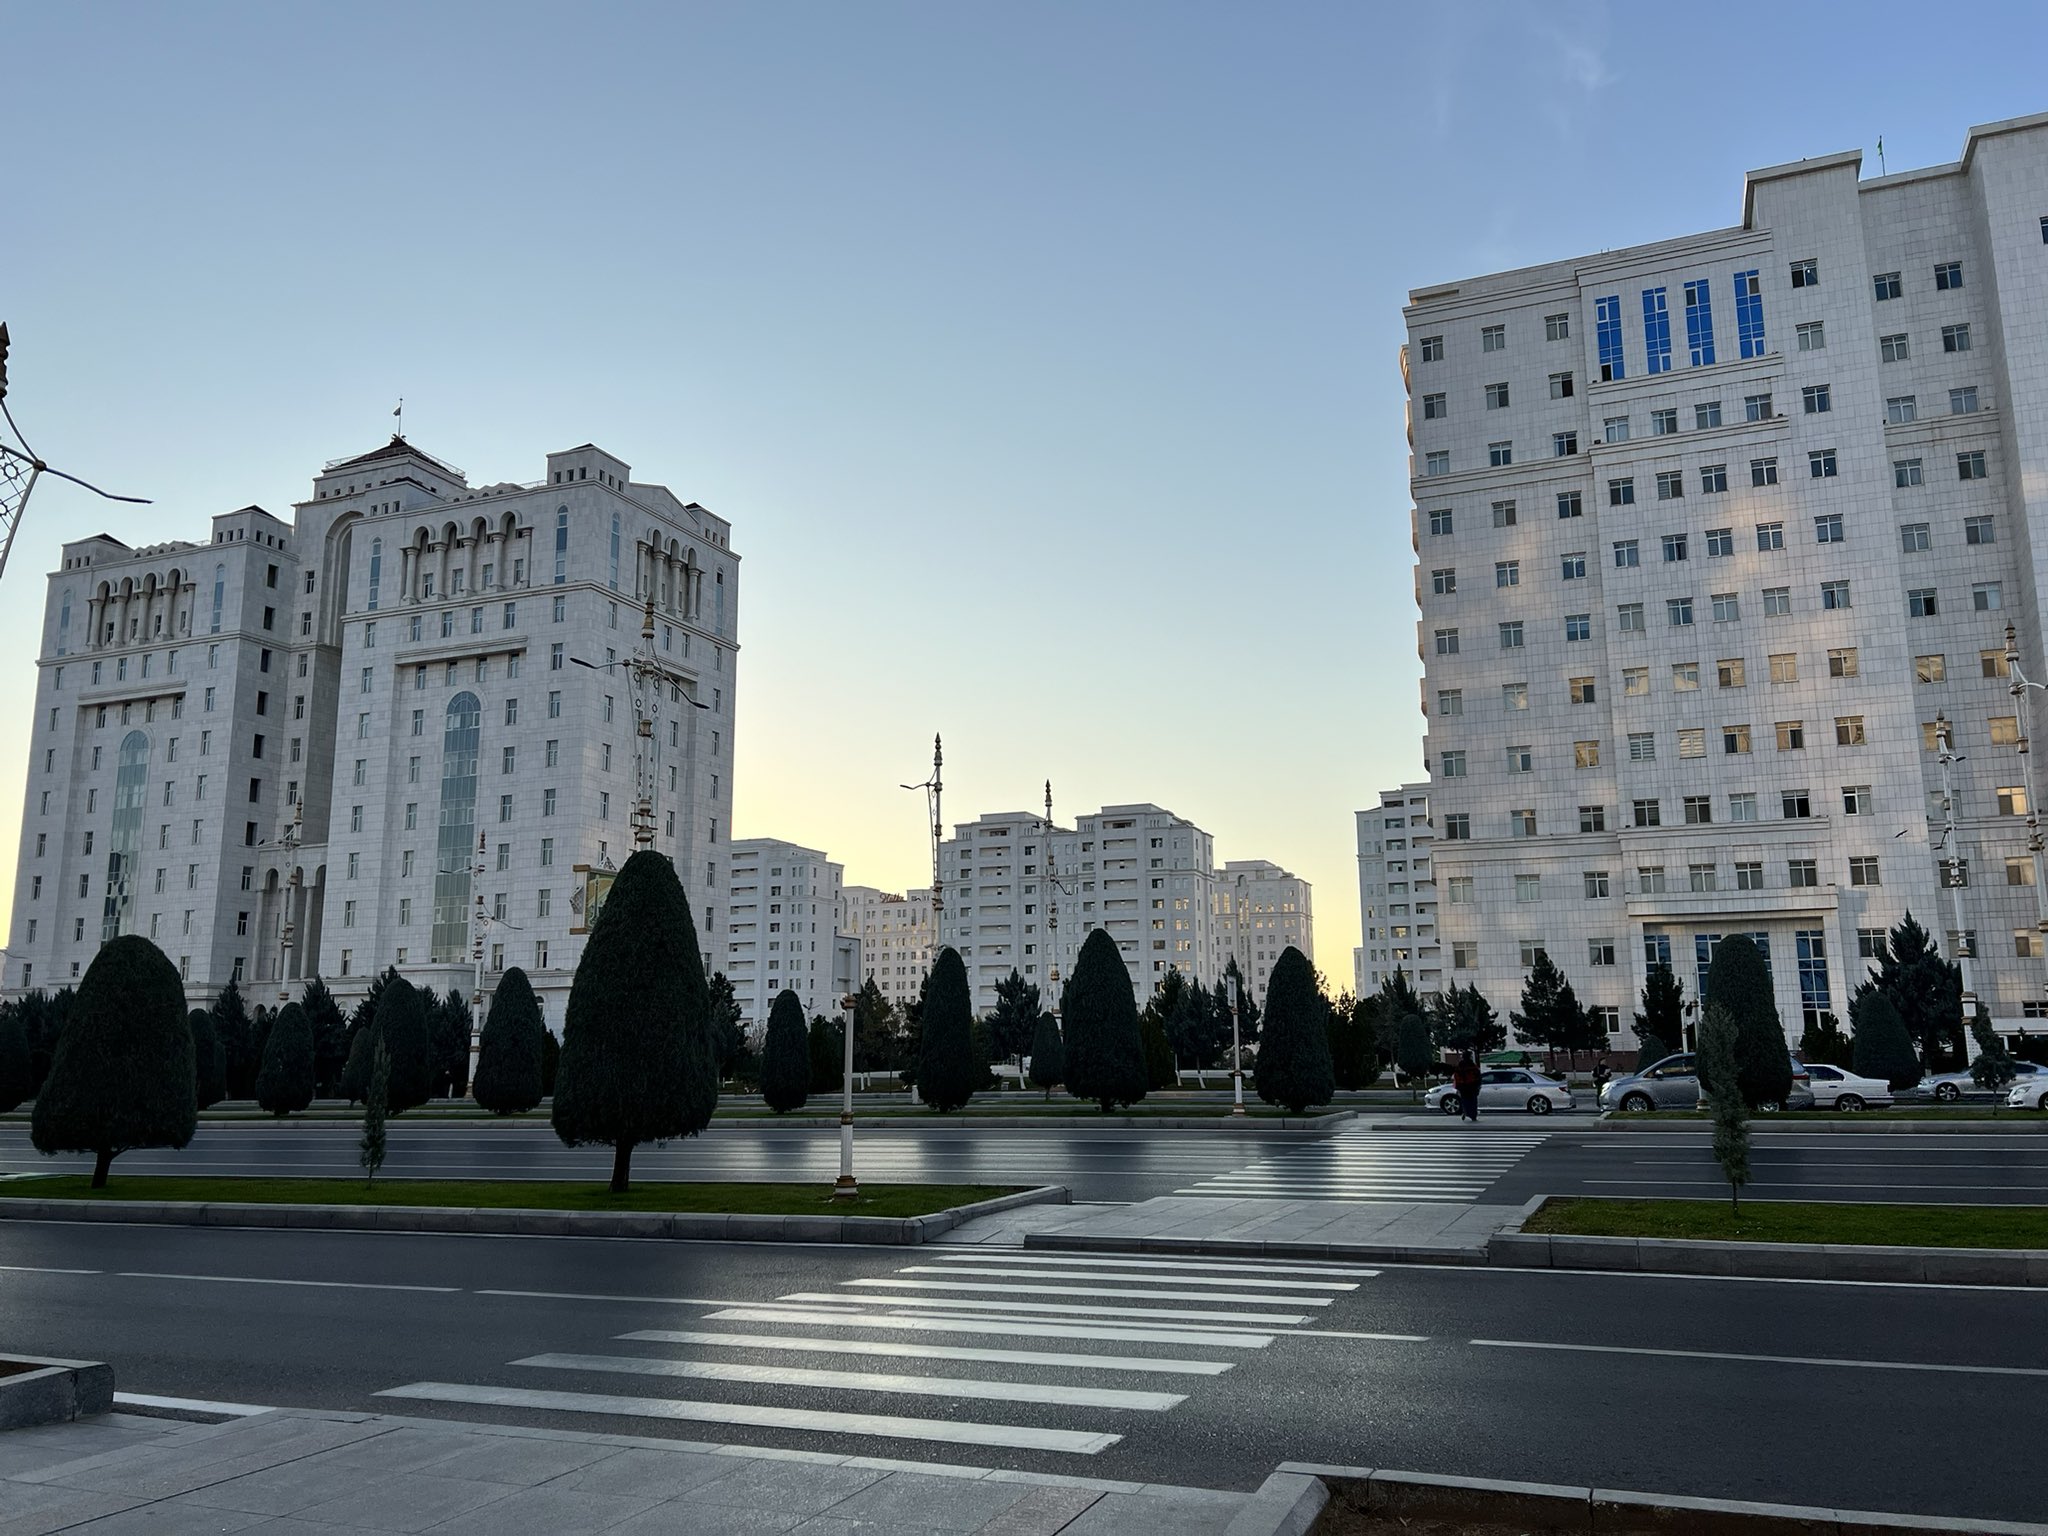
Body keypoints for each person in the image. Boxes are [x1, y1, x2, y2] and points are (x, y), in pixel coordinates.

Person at [1453, 1050, 1481, 1122]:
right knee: (1473, 1101)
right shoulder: (1472, 1065)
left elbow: (1456, 1076)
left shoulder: (1460, 1065)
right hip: (1472, 1086)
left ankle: (1466, 1111)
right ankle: (1473, 1115)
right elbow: (1478, 1075)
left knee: (1465, 1101)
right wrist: (1478, 1085)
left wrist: (1458, 1086)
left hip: (1463, 1087)